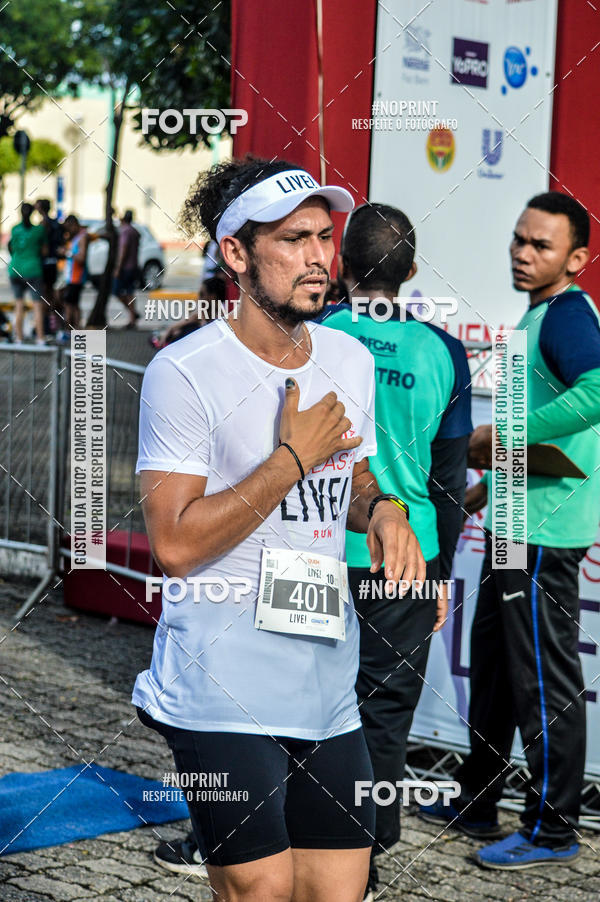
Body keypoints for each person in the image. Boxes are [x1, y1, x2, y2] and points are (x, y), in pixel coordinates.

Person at [135, 156, 425, 902]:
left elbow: (349, 479)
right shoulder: (186, 371)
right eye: (294, 240)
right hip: (219, 685)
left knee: (339, 891)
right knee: (260, 892)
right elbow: (174, 544)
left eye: (325, 238)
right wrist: (291, 457)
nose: (318, 258)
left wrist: (384, 510)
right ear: (236, 254)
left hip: (325, 681)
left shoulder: (350, 360)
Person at [420, 191, 600, 869]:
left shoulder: (567, 317)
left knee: (544, 685)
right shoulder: (540, 317)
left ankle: (553, 830)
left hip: (545, 531)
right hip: (514, 519)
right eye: (519, 241)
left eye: (541, 246)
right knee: (494, 669)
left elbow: (598, 393)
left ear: (576, 258)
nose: (523, 255)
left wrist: (500, 437)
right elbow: (538, 433)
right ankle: (478, 801)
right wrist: (481, 490)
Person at [319, 203, 472, 900]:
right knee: (382, 713)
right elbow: (446, 481)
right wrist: (437, 575)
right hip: (405, 562)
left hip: (315, 550)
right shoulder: (443, 351)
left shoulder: (314, 333)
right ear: (411, 273)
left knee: (300, 699)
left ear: (341, 267)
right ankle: (363, 867)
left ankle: (259, 841)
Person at [8, 202, 47, 344]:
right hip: (33, 269)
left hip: (15, 269)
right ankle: (40, 338)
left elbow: (12, 248)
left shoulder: (14, 229)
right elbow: (44, 251)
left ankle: (19, 338)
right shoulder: (39, 230)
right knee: (37, 305)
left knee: (19, 305)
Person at [35, 198, 62, 334]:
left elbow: (42, 246)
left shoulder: (43, 224)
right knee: (50, 294)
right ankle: (53, 323)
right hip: (53, 263)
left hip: (45, 264)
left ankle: (46, 325)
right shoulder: (56, 223)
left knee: (44, 295)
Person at [114, 210, 141, 328]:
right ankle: (133, 317)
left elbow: (123, 250)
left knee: (117, 291)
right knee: (130, 293)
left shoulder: (125, 231)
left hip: (126, 267)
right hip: (134, 266)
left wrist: (118, 268)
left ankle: (133, 314)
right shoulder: (135, 232)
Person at [61, 215, 89, 331]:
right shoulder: (75, 237)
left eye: (69, 228)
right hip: (71, 277)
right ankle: (77, 330)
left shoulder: (82, 238)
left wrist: (67, 252)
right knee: (74, 305)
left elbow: (82, 258)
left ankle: (71, 330)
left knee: (69, 305)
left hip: (76, 277)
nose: (68, 231)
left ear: (74, 225)